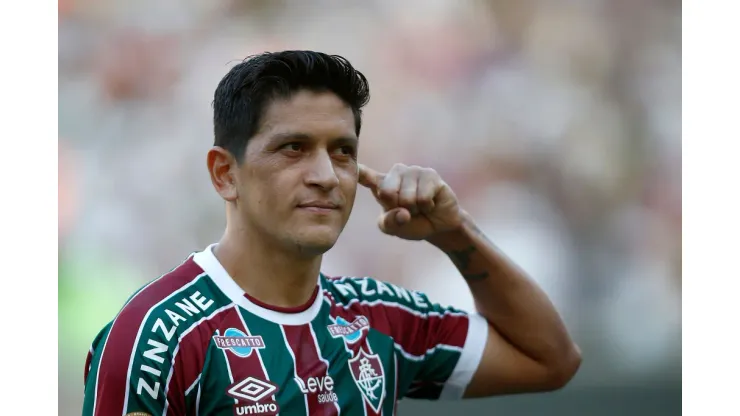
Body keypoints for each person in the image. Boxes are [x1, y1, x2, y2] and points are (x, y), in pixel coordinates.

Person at [82, 51, 581, 416]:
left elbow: (550, 360)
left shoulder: (378, 319)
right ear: (224, 174)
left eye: (342, 151)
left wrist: (455, 234)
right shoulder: (157, 336)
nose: (326, 175)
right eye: (293, 148)